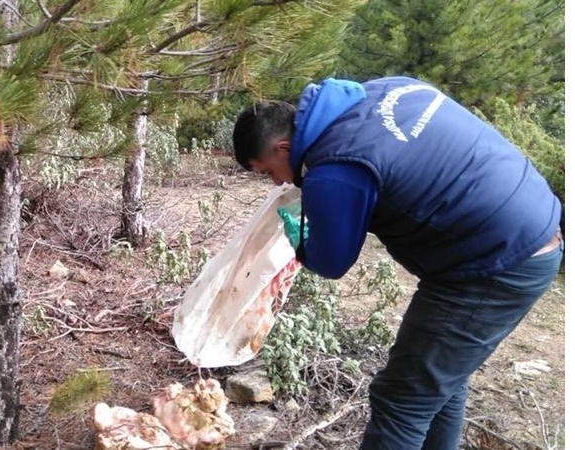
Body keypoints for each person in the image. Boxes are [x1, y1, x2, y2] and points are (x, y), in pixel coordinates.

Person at [231, 76, 563, 450]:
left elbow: (331, 262)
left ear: (284, 147)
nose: (277, 183)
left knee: (402, 400)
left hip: (497, 263)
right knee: (440, 384)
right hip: (531, 223)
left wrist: (303, 241)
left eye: (268, 171)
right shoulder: (383, 90)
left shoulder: (335, 169)